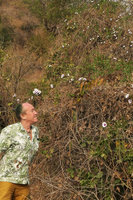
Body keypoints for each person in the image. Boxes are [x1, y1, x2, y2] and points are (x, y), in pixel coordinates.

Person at [0, 102, 39, 200]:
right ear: (23, 116)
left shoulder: (35, 131)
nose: (36, 113)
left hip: (24, 182)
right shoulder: (10, 131)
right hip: (6, 180)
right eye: (32, 110)